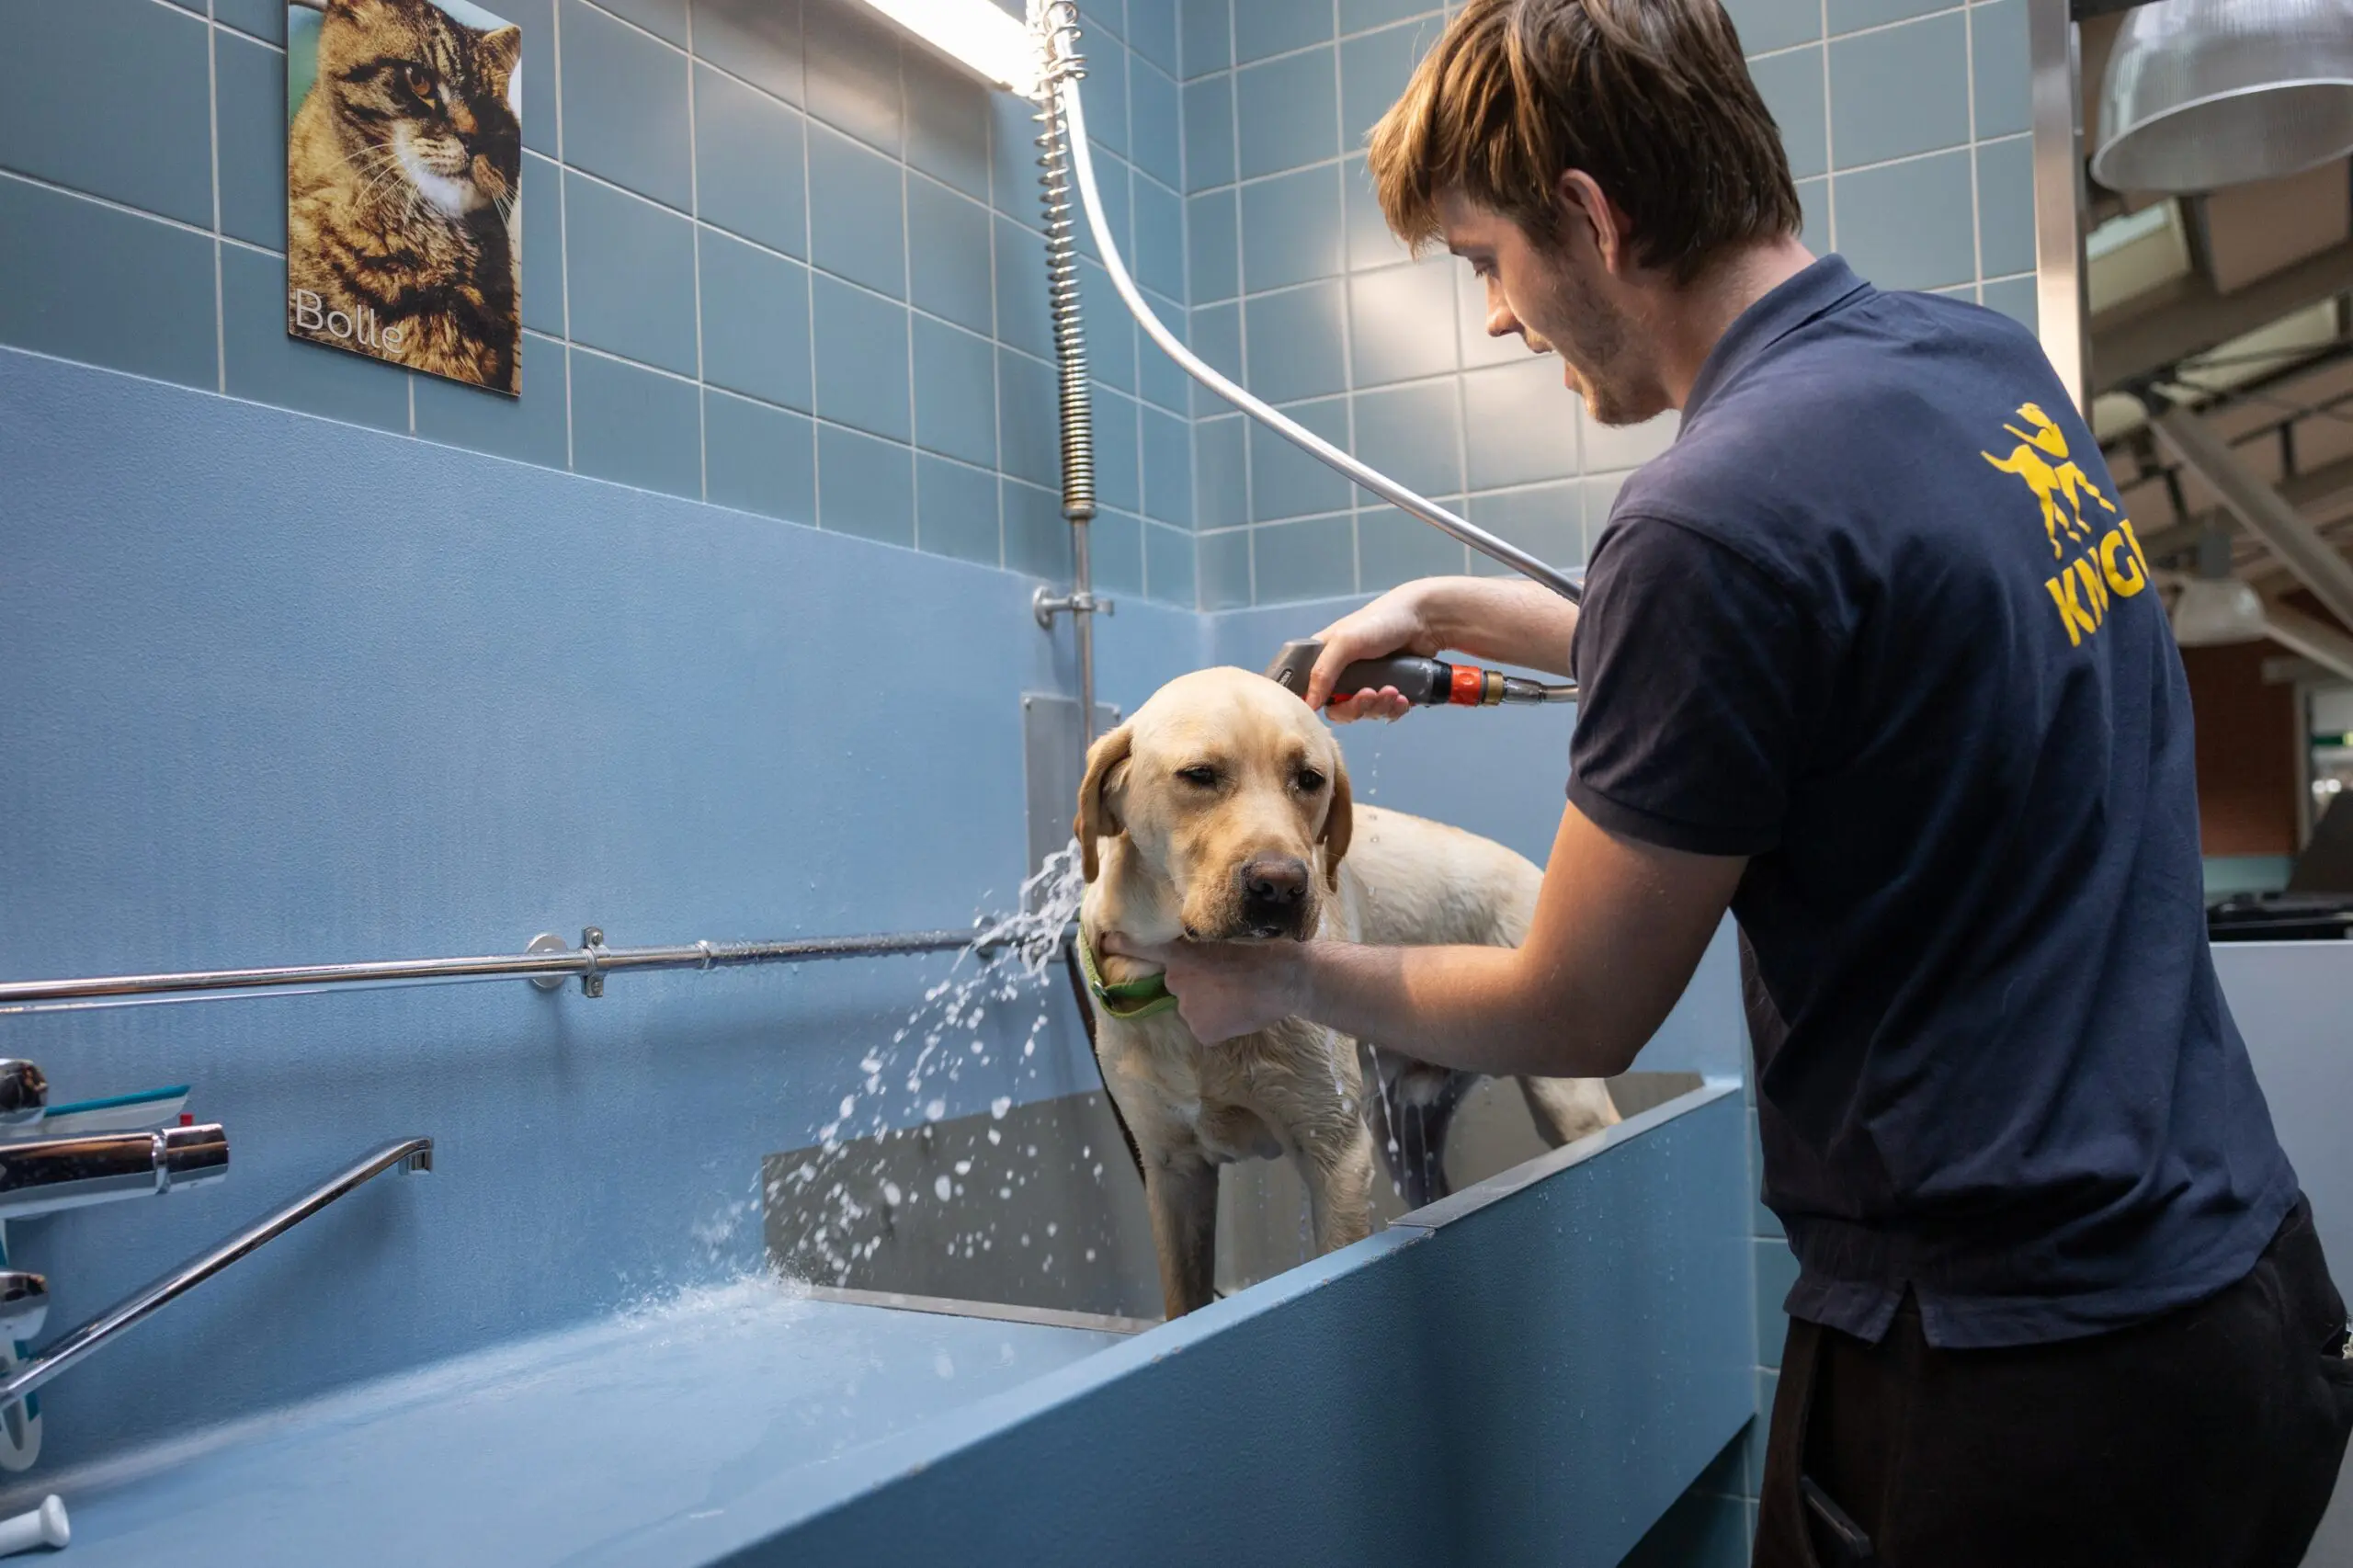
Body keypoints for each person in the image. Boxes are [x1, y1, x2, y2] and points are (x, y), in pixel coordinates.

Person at [1102, 0, 2353, 1562]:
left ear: (1589, 216)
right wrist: (1436, 608)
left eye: (1488, 259)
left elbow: (1574, 1009)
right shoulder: (1980, 365)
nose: (1497, 316)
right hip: (2245, 1310)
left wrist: (1278, 982)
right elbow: (1832, 671)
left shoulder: (1707, 520)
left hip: (2008, 1385)